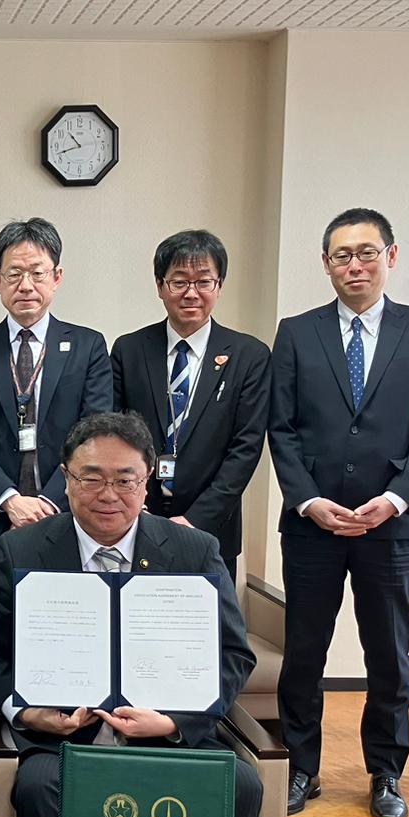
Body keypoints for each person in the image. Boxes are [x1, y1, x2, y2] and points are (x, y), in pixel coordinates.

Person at [0, 411, 261, 817]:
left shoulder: (194, 552)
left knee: (241, 784)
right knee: (38, 785)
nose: (108, 495)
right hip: (64, 740)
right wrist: (27, 714)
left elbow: (233, 655)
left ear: (146, 484)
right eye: (91, 478)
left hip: (167, 736)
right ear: (66, 479)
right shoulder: (21, 551)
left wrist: (173, 722)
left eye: (126, 480)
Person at [268, 208, 409, 817]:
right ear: (326, 264)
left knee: (388, 655)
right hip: (313, 525)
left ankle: (386, 772)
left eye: (367, 252)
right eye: (342, 255)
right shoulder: (296, 332)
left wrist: (397, 499)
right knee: (304, 652)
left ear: (391, 257)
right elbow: (281, 428)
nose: (355, 265)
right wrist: (308, 500)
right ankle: (301, 766)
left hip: (389, 526)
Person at [0, 217, 113, 611]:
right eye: (14, 274)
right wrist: (10, 500)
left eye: (37, 273)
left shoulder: (89, 346)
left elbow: (93, 436)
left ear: (56, 277)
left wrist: (49, 501)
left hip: (67, 516)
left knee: (63, 630)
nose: (26, 286)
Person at [112, 229, 270, 584]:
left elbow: (245, 448)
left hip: (213, 525)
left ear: (220, 285)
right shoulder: (129, 350)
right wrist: (135, 506)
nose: (191, 293)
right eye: (178, 281)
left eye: (204, 281)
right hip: (138, 518)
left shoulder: (249, 355)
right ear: (159, 285)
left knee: (207, 632)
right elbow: (116, 437)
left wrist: (197, 519)